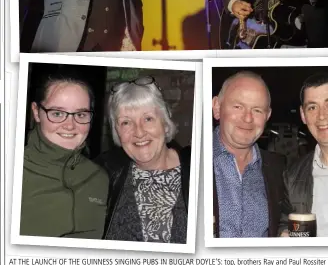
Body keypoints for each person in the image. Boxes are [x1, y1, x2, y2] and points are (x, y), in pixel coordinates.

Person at [97, 76, 191, 243]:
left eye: (148, 119)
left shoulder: (201, 169)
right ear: (116, 130)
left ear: (165, 121)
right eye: (126, 123)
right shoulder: (102, 174)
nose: (139, 132)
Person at [20, 74, 109, 238]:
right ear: (36, 112)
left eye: (81, 115)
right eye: (57, 113)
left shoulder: (100, 178)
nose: (69, 125)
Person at [279, 73, 328, 237]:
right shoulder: (292, 176)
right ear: (303, 115)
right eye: (312, 107)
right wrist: (284, 234)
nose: (322, 116)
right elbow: (285, 222)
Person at [212, 71, 286, 238]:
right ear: (217, 107)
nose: (247, 118)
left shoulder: (279, 170)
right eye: (238, 107)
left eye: (257, 110)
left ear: (267, 116)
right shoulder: (189, 163)